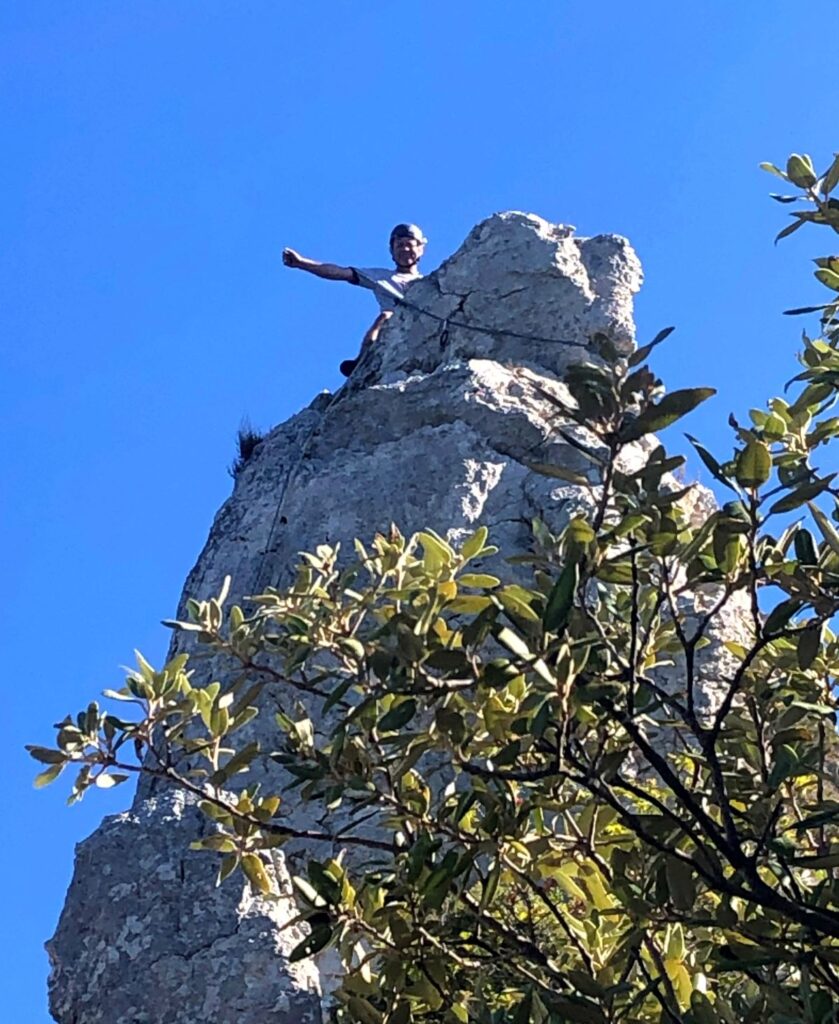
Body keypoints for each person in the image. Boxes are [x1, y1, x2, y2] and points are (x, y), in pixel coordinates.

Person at [282, 223, 427, 376]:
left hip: (423, 324)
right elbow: (340, 272)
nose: (404, 249)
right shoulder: (381, 278)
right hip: (395, 324)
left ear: (420, 248)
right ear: (392, 250)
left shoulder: (432, 283)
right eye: (399, 245)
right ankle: (363, 359)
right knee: (386, 315)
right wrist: (302, 263)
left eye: (409, 245)